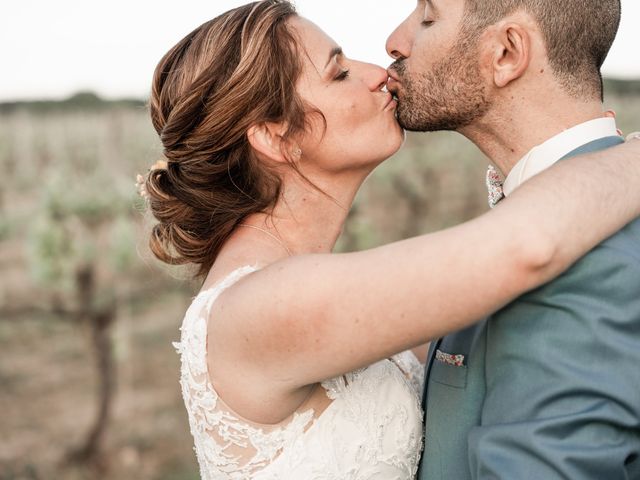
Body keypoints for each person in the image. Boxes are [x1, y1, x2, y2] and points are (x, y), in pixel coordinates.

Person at [139, 1, 640, 478]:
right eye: (338, 73)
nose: (378, 70)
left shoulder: (334, 296)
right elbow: (524, 247)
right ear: (275, 136)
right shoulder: (263, 306)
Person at [385, 0, 640, 478]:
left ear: (506, 52)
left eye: (427, 17)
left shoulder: (591, 261)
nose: (395, 42)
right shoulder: (556, 217)